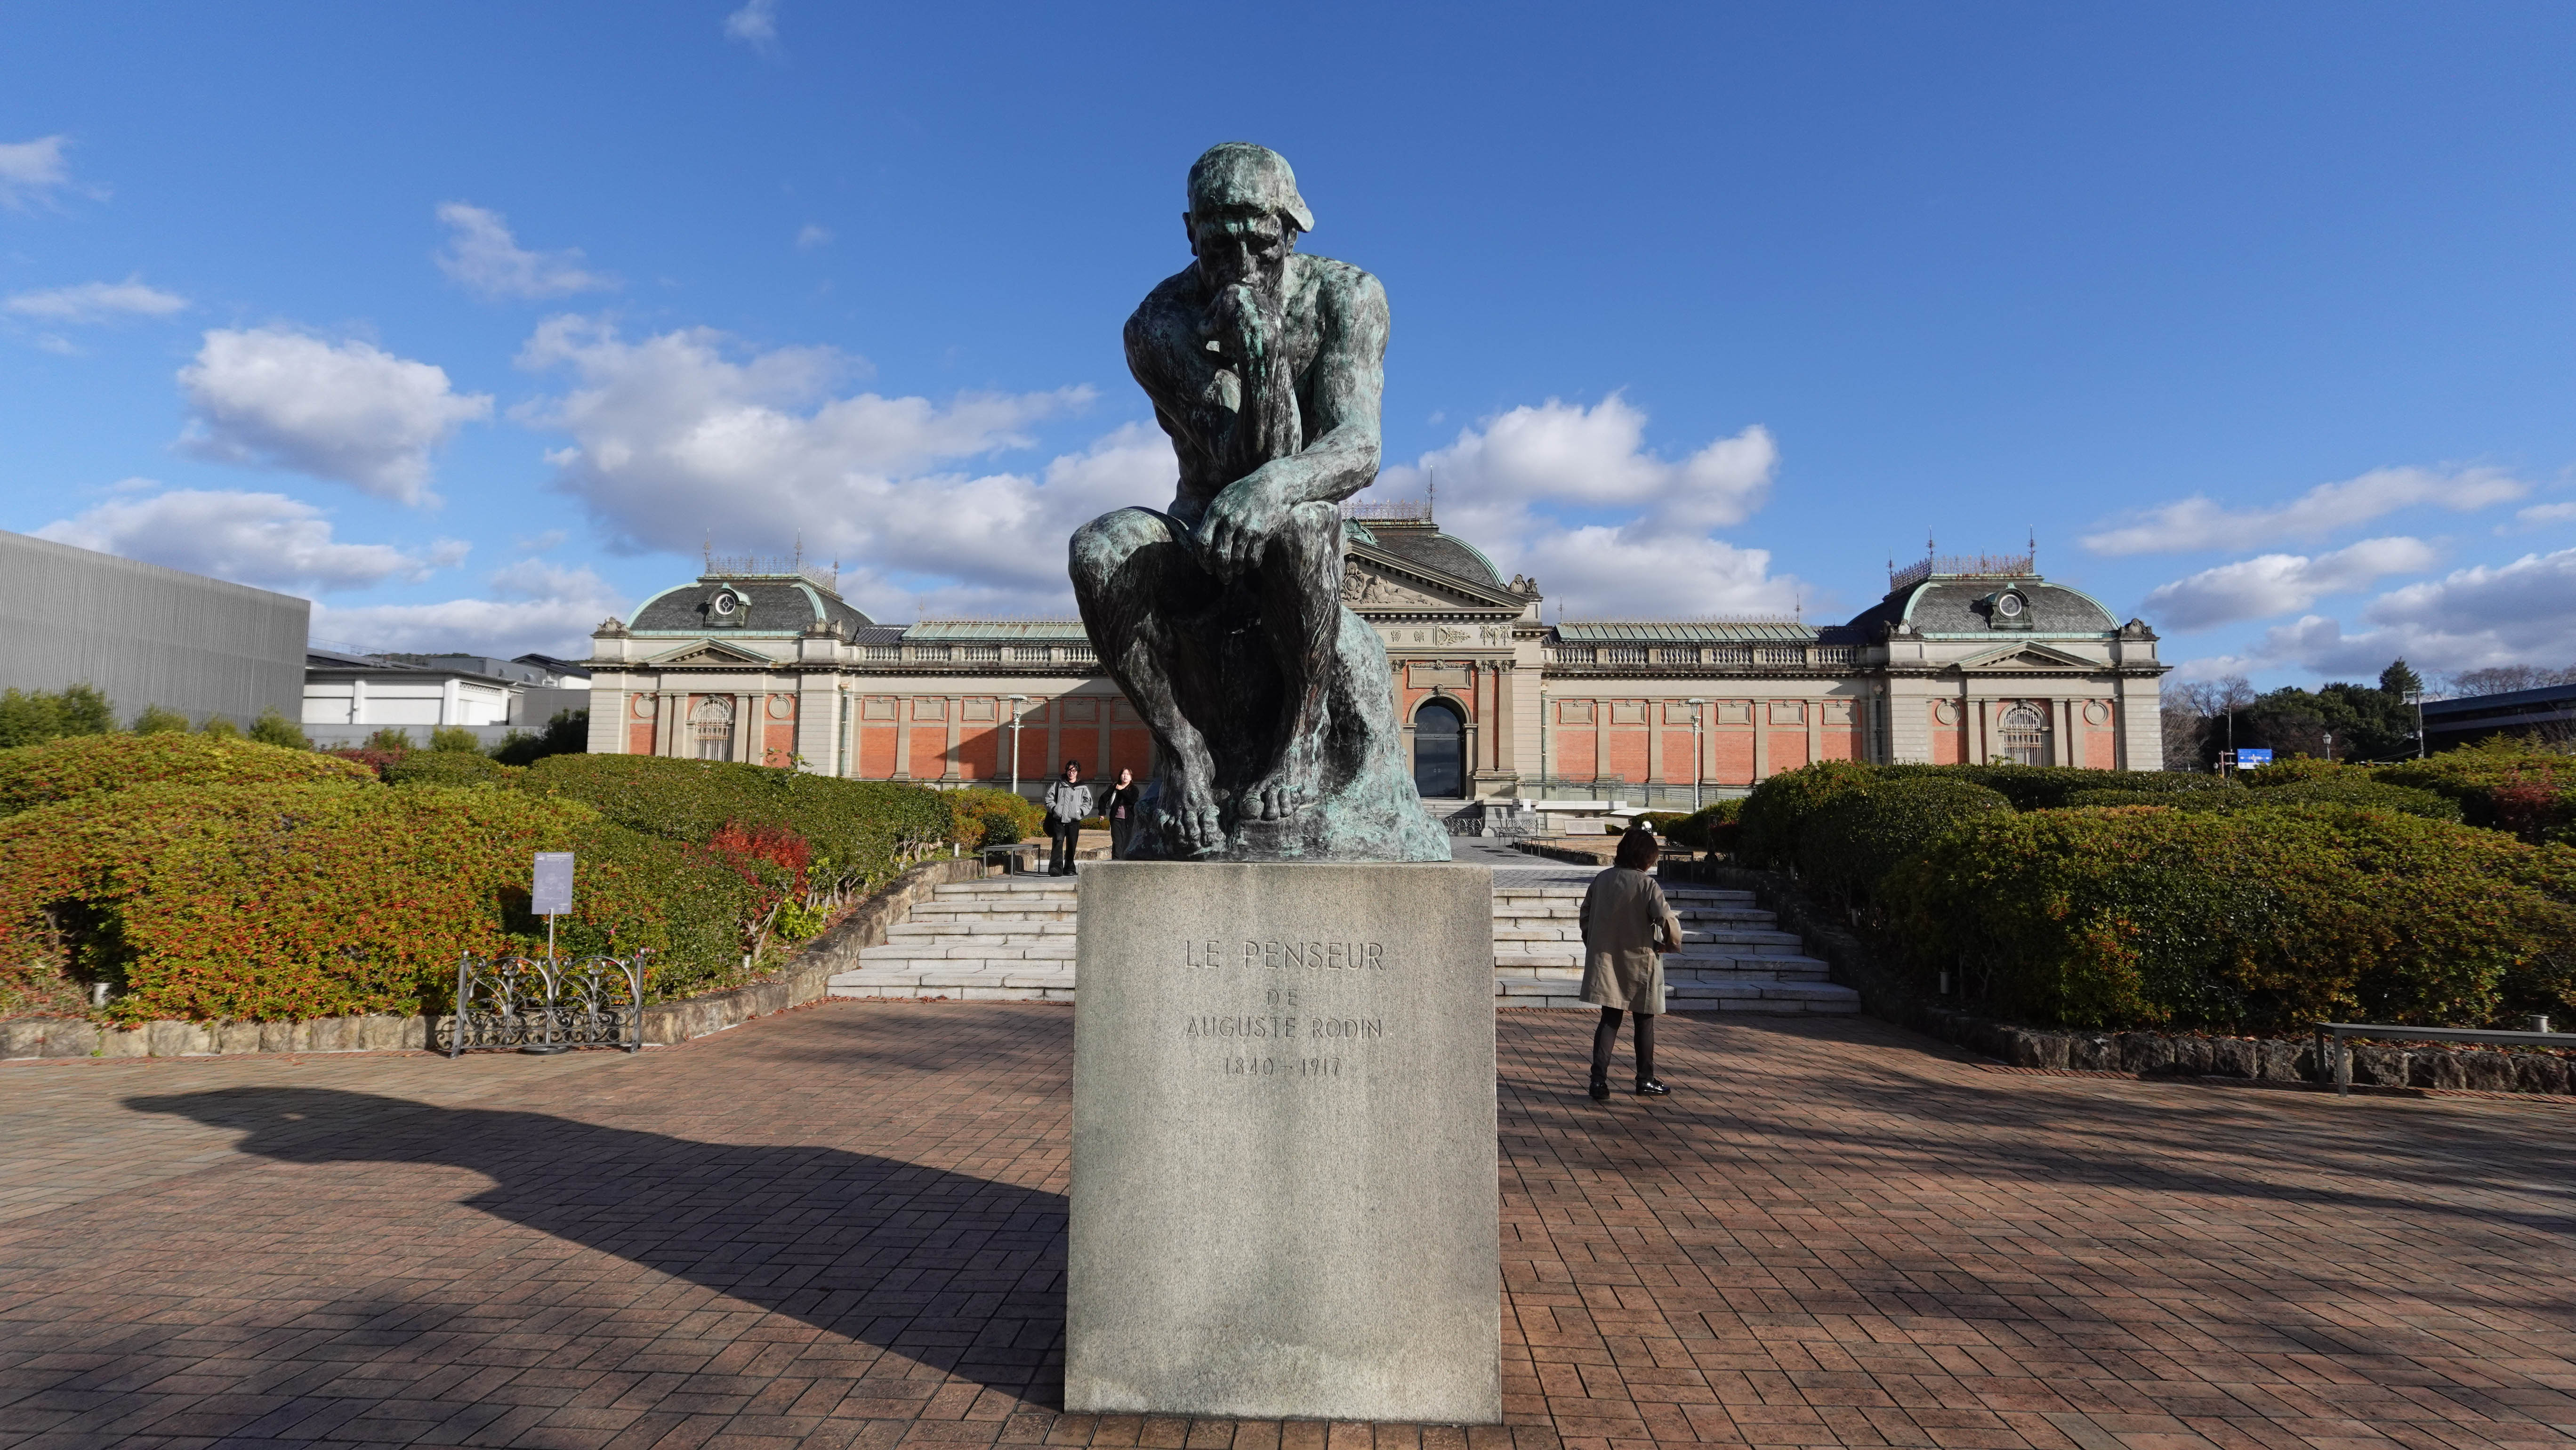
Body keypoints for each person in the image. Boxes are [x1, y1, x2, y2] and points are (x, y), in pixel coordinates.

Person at [1579, 824, 1682, 1099]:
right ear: (1646, 857)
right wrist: (1670, 943)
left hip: (1607, 960)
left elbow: (1586, 915)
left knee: (1609, 1019)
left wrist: (1594, 942)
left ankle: (1598, 1081)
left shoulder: (1602, 880)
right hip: (1640, 960)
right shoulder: (1647, 885)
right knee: (1644, 1021)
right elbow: (1666, 918)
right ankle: (1645, 1079)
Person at [1043, 761, 1094, 876]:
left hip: (1074, 821)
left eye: (1074, 771)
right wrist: (1055, 809)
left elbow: (1088, 802)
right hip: (1059, 820)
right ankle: (1056, 868)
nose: (1071, 773)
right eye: (1069, 770)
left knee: (1072, 845)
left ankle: (1070, 868)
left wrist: (1080, 812)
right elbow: (1049, 798)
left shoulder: (1082, 787)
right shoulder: (1058, 784)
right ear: (1066, 771)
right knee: (1058, 843)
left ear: (1078, 772)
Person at [1104, 767, 1142, 859]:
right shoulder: (1114, 787)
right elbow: (1103, 798)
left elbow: (1132, 800)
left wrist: (1122, 790)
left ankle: (1126, 861)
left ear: (1131, 778)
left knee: (1127, 841)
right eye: (1123, 774)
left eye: (1128, 774)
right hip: (1116, 819)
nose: (1125, 776)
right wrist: (1102, 812)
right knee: (1117, 842)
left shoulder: (1134, 789)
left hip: (1129, 819)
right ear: (1120, 776)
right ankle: (1116, 862)